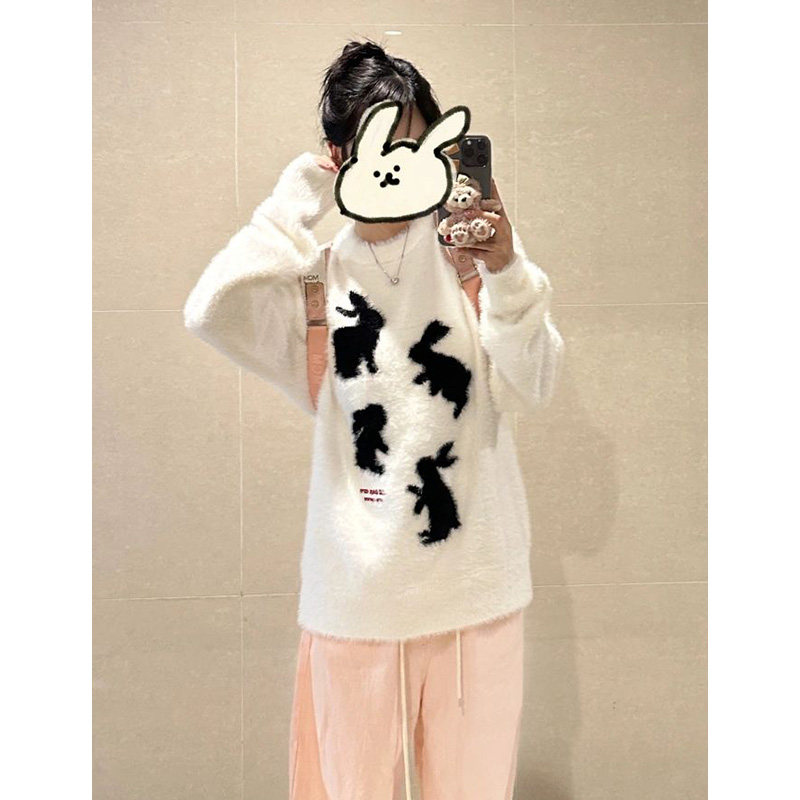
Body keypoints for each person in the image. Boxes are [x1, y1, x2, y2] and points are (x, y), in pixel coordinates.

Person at [183, 38, 564, 800]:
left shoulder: (469, 258)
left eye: (412, 144)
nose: (396, 166)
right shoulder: (315, 281)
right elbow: (209, 310)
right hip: (354, 599)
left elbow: (534, 384)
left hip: (474, 598)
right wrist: (302, 194)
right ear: (340, 156)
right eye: (375, 145)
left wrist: (506, 268)